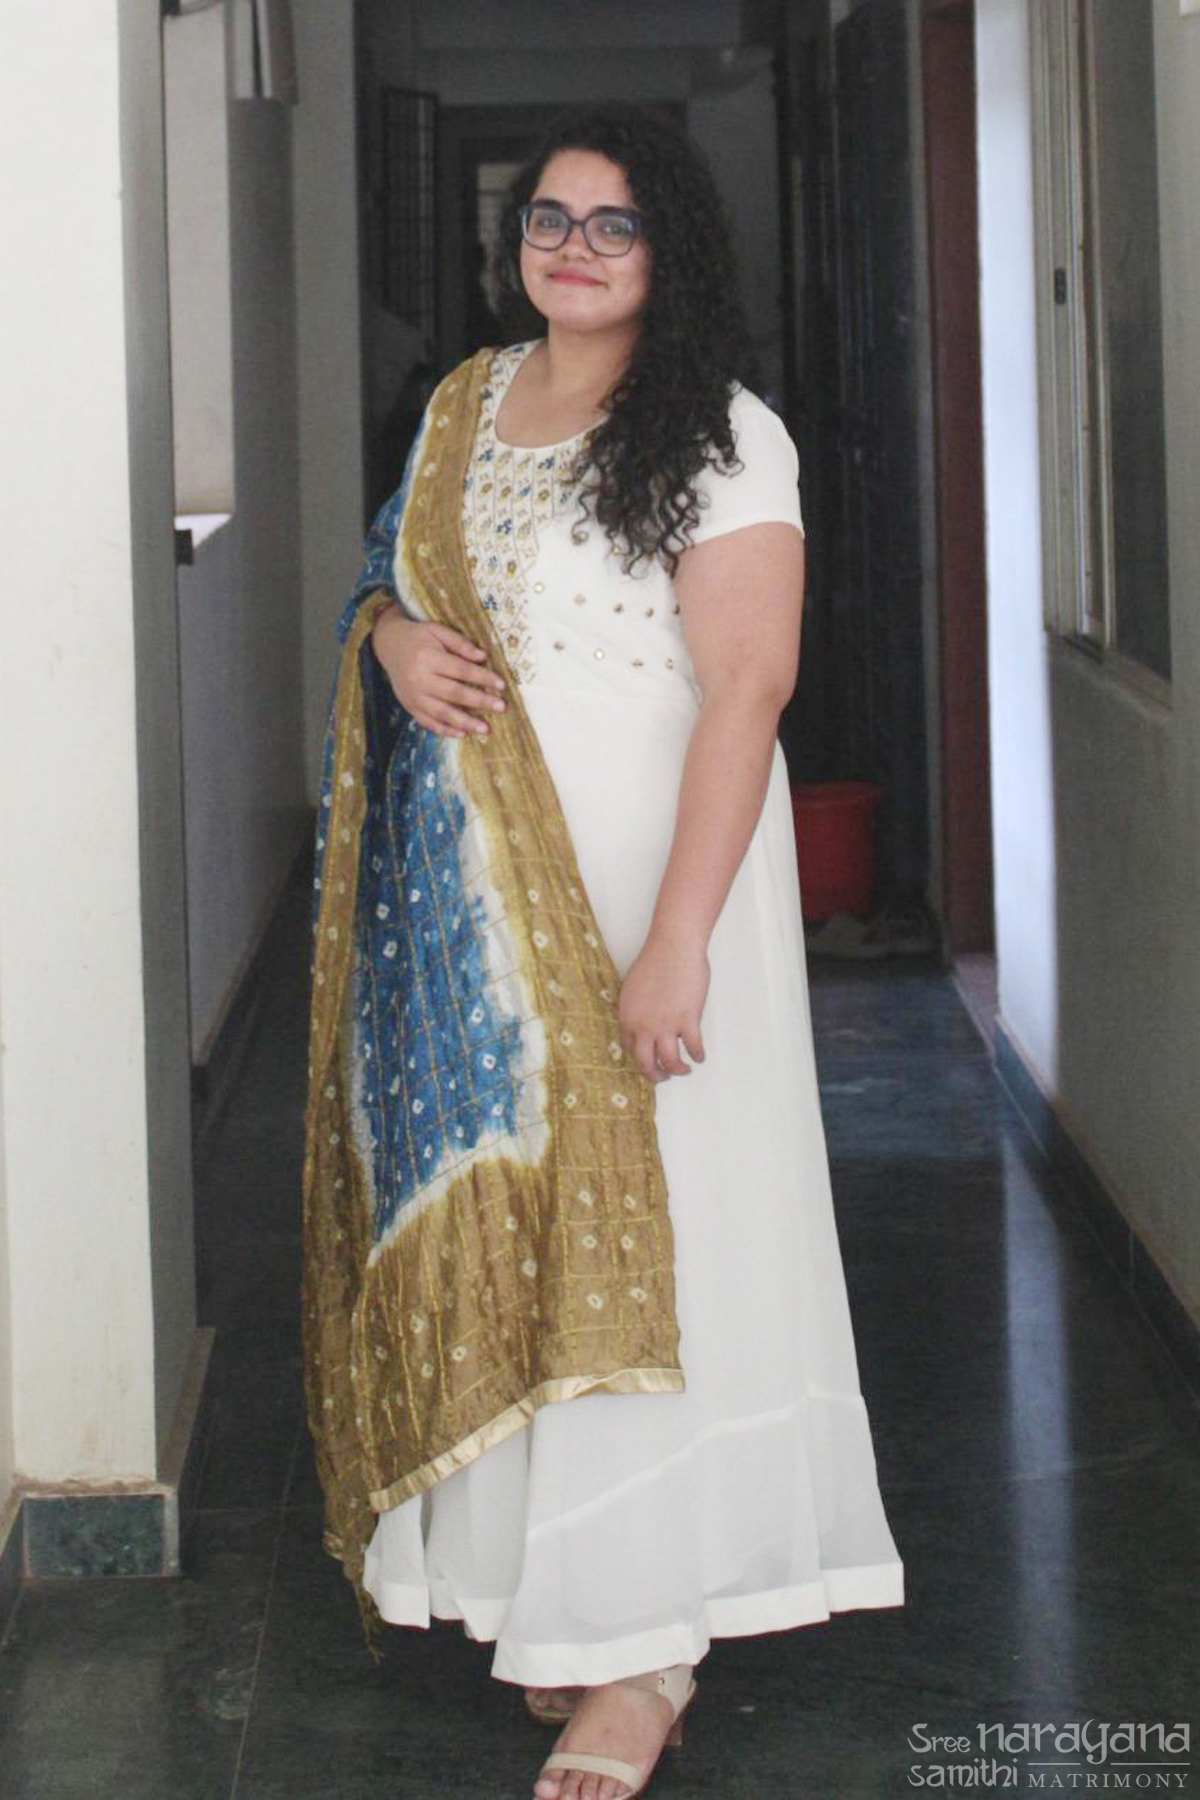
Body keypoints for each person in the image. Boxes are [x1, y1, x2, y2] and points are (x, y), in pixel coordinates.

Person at [302, 105, 904, 1800]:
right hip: (478, 917)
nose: (571, 249)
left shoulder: (720, 429)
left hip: (654, 882)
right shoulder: (464, 402)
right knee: (524, 1228)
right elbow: (393, 586)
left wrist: (679, 943)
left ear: (670, 249)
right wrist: (393, 638)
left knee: (663, 1234)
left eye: (613, 224)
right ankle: (541, 1597)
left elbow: (750, 690)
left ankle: (642, 1652)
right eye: (547, 219)